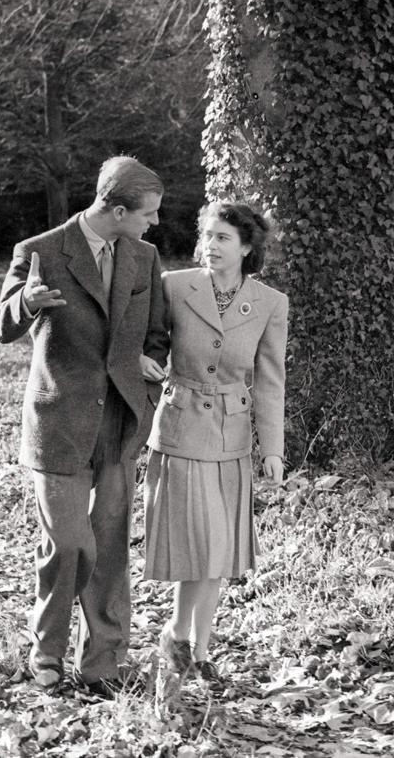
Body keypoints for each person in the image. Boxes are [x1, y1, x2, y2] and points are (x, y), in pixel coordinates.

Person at [0, 156, 168, 695]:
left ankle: (104, 662)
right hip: (59, 422)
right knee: (69, 543)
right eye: (148, 214)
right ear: (116, 210)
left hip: (118, 423)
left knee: (110, 547)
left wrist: (145, 370)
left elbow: (154, 332)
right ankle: (47, 651)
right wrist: (26, 302)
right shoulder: (40, 251)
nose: (154, 223)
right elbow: (0, 327)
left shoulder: (145, 256)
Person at [144, 200, 288, 687]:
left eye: (223, 238)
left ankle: (196, 647)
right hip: (182, 427)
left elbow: (270, 380)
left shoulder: (270, 303)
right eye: (207, 235)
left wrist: (272, 448)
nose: (210, 246)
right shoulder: (175, 286)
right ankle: (179, 635)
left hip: (231, 435)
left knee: (220, 551)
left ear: (247, 247)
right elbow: (150, 345)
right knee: (201, 546)